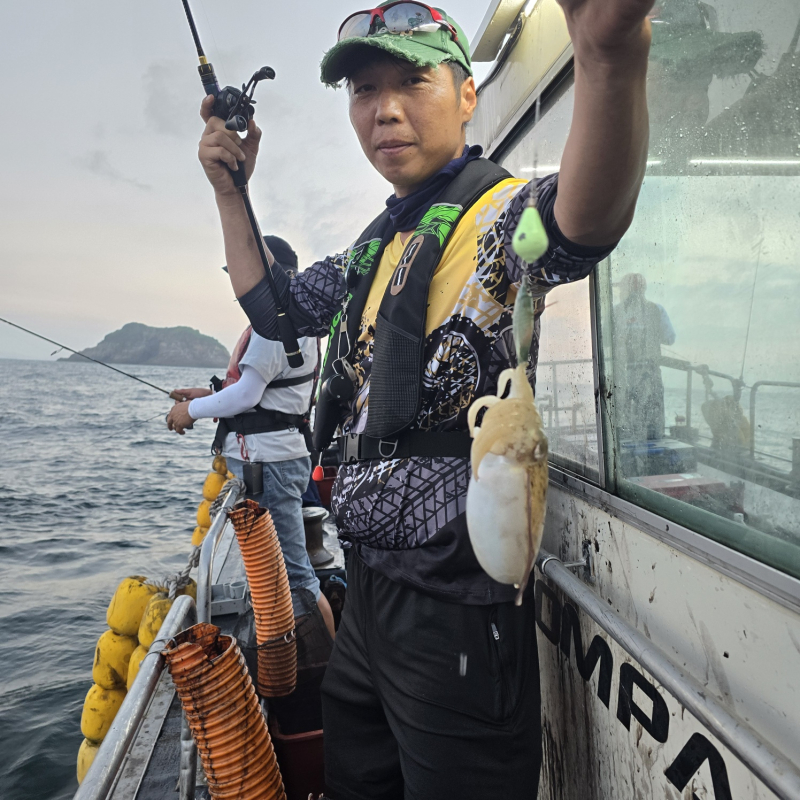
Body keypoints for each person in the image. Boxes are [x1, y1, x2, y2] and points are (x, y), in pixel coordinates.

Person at [196, 1, 653, 796]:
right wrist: (232, 191)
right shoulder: (378, 244)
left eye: (412, 79)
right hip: (368, 588)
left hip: (458, 607)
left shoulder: (502, 217)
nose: (386, 109)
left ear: (467, 94)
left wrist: (609, 59)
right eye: (364, 90)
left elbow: (581, 222)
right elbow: (272, 307)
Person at [166, 235, 335, 638]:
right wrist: (208, 396)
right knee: (286, 571)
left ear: (271, 271)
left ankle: (333, 664)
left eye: (243, 270)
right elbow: (267, 394)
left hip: (272, 466)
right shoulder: (290, 320)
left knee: (296, 575)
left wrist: (189, 411)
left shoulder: (275, 325)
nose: (238, 282)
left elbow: (246, 394)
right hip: (276, 460)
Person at [613, 272, 676, 440]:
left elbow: (605, 339)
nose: (620, 293)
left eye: (622, 289)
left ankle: (627, 449)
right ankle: (654, 448)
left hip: (624, 374)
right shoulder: (657, 310)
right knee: (653, 415)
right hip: (651, 373)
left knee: (625, 417)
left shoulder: (616, 312)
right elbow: (670, 338)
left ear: (627, 290)